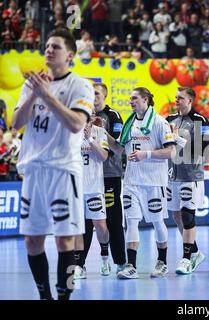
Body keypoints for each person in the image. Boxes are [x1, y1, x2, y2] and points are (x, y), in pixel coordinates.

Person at [12, 28, 94, 300]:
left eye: (55, 47)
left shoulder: (80, 85)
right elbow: (15, 123)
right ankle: (45, 296)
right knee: (32, 240)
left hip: (62, 170)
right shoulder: (31, 84)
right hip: (33, 170)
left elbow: (76, 124)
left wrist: (47, 95)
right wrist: (36, 93)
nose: (48, 50)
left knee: (64, 240)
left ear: (69, 55)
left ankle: (63, 297)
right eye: (46, 46)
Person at [106, 87, 176, 279]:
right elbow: (118, 149)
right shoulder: (129, 123)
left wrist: (146, 155)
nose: (131, 101)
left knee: (157, 221)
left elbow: (171, 152)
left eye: (134, 98)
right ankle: (131, 266)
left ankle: (162, 261)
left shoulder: (160, 122)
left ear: (146, 100)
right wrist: (100, 132)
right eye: (130, 98)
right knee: (131, 222)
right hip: (131, 181)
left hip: (154, 182)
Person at [166, 87, 209, 274]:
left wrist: (179, 139)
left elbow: (204, 149)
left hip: (191, 175)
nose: (177, 100)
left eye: (181, 98)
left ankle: (186, 259)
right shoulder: (169, 119)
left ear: (191, 101)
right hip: (172, 175)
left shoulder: (200, 121)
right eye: (176, 98)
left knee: (187, 215)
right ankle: (195, 252)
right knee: (176, 216)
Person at [92, 83, 127, 274]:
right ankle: (80, 264)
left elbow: (119, 148)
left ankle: (121, 263)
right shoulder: (82, 114)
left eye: (96, 93)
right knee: (88, 221)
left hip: (109, 175)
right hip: (87, 177)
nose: (93, 96)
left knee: (113, 220)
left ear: (104, 95)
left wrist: (99, 129)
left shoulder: (113, 116)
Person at [73, 110, 111, 279]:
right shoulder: (70, 132)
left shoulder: (100, 132)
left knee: (101, 226)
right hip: (75, 187)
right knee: (77, 228)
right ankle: (79, 265)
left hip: (94, 187)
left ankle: (104, 257)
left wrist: (89, 138)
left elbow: (103, 156)